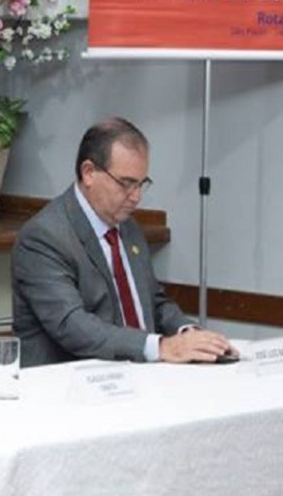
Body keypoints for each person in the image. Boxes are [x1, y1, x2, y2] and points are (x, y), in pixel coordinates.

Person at [12, 117, 236, 366]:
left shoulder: (128, 228)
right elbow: (73, 326)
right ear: (89, 173)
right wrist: (161, 347)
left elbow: (154, 302)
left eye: (141, 184)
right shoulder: (44, 237)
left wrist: (189, 335)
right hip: (75, 381)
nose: (136, 197)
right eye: (126, 184)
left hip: (141, 375)